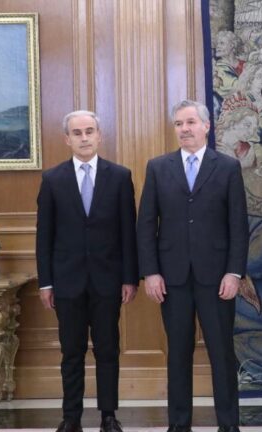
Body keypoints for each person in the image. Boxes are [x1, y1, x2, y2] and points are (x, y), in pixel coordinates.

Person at [137, 100, 249, 432]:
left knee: (222, 355)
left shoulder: (227, 167)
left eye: (190, 122)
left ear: (206, 125)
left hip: (217, 278)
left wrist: (234, 272)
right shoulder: (158, 167)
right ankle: (179, 425)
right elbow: (146, 225)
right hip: (171, 279)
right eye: (178, 124)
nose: (184, 129)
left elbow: (238, 226)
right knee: (179, 355)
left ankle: (229, 425)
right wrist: (151, 272)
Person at [36, 110, 138, 432]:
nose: (84, 137)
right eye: (77, 132)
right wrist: (46, 283)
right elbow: (44, 236)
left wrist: (129, 277)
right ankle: (71, 418)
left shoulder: (120, 176)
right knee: (72, 352)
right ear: (67, 139)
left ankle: (109, 416)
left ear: (99, 135)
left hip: (108, 281)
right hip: (67, 282)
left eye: (89, 131)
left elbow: (128, 233)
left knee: (108, 349)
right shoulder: (52, 179)